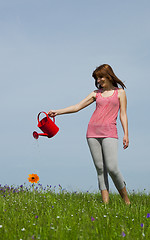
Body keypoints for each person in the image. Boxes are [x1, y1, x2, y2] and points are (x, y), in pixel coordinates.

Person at [48, 64, 130, 205]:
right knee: (100, 169)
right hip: (92, 132)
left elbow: (123, 114)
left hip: (110, 132)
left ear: (109, 76)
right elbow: (77, 107)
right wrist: (58, 112)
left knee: (112, 168)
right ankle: (105, 204)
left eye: (101, 77)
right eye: (97, 78)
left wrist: (126, 134)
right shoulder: (95, 93)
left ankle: (127, 202)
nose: (99, 80)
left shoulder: (120, 93)